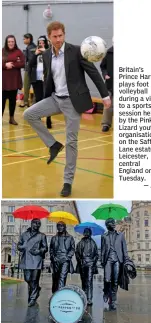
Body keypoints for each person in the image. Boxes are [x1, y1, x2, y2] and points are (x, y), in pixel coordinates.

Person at [23, 21, 111, 197]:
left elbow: (93, 72)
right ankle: (53, 144)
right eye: (54, 37)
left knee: (71, 142)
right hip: (55, 98)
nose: (58, 39)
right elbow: (49, 77)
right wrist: (45, 97)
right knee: (29, 114)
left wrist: (105, 95)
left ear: (64, 34)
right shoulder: (47, 55)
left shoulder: (77, 51)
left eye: (60, 36)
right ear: (49, 37)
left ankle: (67, 182)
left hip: (73, 102)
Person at [101, 218, 136, 310]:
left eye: (113, 222)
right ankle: (106, 292)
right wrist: (102, 261)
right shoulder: (104, 236)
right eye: (110, 223)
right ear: (107, 225)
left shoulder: (120, 235)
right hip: (108, 259)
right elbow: (103, 250)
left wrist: (127, 260)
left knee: (115, 281)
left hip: (117, 260)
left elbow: (124, 250)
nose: (112, 224)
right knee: (107, 279)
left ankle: (113, 301)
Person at [17, 218, 48, 307]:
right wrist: (22, 246)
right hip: (26, 260)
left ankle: (32, 298)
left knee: (34, 280)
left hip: (36, 260)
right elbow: (19, 245)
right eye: (36, 223)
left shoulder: (42, 235)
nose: (37, 225)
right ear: (31, 224)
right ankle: (37, 289)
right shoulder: (24, 234)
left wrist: (39, 251)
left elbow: (45, 248)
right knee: (27, 279)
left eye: (39, 224)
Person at [28, 35, 52, 129]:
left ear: (45, 43)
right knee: (38, 100)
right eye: (39, 43)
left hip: (46, 80)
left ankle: (48, 119)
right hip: (37, 79)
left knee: (47, 99)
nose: (41, 44)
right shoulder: (35, 52)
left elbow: (51, 63)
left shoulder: (49, 52)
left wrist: (45, 52)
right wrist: (36, 54)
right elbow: (30, 64)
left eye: (43, 42)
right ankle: (38, 119)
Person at [2, 35, 25, 125]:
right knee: (2, 102)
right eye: (9, 42)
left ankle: (11, 118)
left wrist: (13, 64)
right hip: (3, 82)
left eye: (12, 41)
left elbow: (23, 63)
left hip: (14, 81)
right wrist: (5, 65)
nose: (11, 43)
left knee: (12, 101)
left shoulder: (18, 51)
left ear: (14, 42)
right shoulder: (2, 51)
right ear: (6, 42)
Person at [50, 221, 75, 293]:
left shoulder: (70, 238)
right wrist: (53, 257)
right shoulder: (54, 238)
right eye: (58, 226)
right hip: (56, 259)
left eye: (61, 226)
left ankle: (59, 294)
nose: (60, 227)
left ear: (65, 227)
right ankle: (54, 292)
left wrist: (68, 257)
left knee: (62, 277)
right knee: (55, 277)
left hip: (65, 259)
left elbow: (72, 249)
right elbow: (51, 249)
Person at [75, 228, 98, 305]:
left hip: (90, 264)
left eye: (88, 232)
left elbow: (96, 254)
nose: (86, 233)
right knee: (84, 281)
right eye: (85, 232)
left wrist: (93, 261)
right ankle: (84, 296)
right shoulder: (80, 243)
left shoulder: (93, 243)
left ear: (90, 233)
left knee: (89, 281)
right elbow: (77, 253)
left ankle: (89, 298)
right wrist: (80, 260)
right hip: (83, 263)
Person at [100, 37, 113, 132]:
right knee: (107, 105)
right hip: (109, 83)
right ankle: (106, 124)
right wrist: (105, 75)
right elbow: (102, 66)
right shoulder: (108, 53)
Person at [20, 33, 36, 108]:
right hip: (31, 69)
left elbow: (31, 60)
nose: (23, 40)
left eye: (24, 39)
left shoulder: (31, 48)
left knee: (27, 86)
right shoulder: (30, 47)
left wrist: (28, 68)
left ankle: (27, 102)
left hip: (30, 70)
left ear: (29, 39)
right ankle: (29, 102)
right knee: (29, 87)